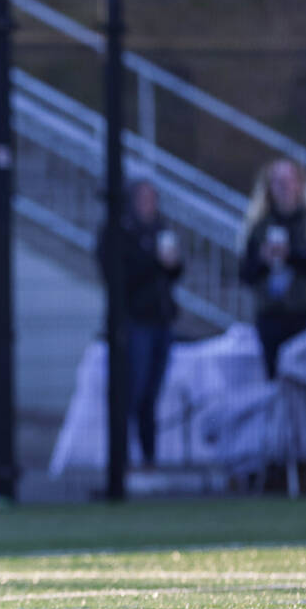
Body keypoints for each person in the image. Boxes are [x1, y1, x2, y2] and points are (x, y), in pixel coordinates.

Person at [97, 180, 183, 468]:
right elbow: (117, 274)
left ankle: (148, 458)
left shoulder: (161, 228)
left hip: (162, 322)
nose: (150, 204)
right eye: (144, 198)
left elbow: (173, 272)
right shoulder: (118, 232)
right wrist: (155, 262)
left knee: (151, 395)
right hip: (135, 324)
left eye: (153, 198)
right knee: (132, 391)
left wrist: (173, 265)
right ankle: (120, 460)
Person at [239, 158, 306, 379]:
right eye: (276, 181)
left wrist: (294, 255)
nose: (283, 187)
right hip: (271, 317)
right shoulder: (259, 226)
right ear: (269, 187)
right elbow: (245, 274)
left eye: (287, 180)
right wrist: (263, 260)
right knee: (275, 384)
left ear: (299, 184)